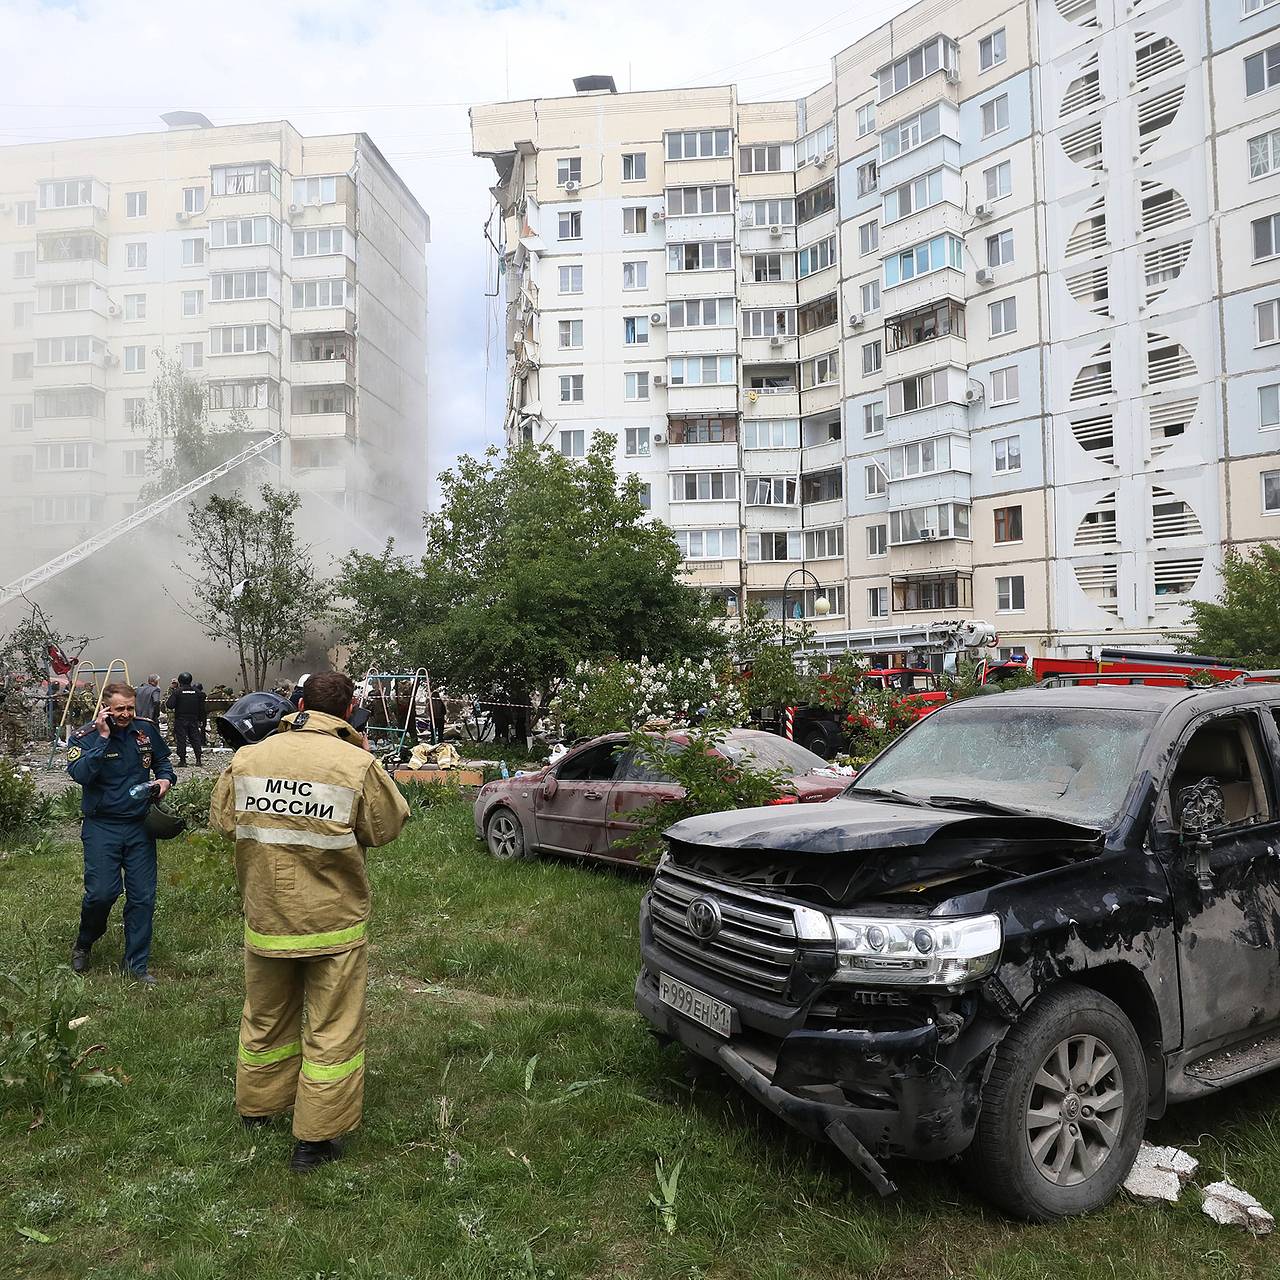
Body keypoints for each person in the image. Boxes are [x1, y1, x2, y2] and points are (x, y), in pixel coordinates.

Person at [209, 671, 410, 1172]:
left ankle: (259, 1106)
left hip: (267, 917)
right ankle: (315, 1141)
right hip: (332, 922)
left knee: (265, 1015)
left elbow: (223, 821)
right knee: (332, 1029)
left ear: (297, 704)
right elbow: (385, 827)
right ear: (349, 710)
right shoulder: (356, 763)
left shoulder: (249, 756)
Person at [67, 681, 176, 983]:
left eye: (130, 708)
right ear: (105, 709)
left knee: (143, 898)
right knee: (102, 894)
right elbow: (80, 774)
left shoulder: (145, 730)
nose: (126, 714)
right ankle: (85, 942)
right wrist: (103, 739)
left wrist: (165, 781)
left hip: (140, 826)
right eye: (119, 709)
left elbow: (163, 762)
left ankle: (136, 966)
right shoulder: (85, 737)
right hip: (103, 826)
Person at [166, 672, 206, 767]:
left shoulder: (177, 692)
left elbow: (169, 705)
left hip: (181, 719)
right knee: (195, 739)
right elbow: (202, 708)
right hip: (193, 719)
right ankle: (198, 760)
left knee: (181, 739)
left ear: (180, 681)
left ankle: (183, 761)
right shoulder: (197, 692)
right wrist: (201, 720)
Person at [1, 672, 27, 756]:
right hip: (18, 717)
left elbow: (4, 705)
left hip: (8, 716)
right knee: (20, 734)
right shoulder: (21, 694)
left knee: (10, 734)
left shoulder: (8, 693)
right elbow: (27, 705)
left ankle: (10, 750)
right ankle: (19, 750)